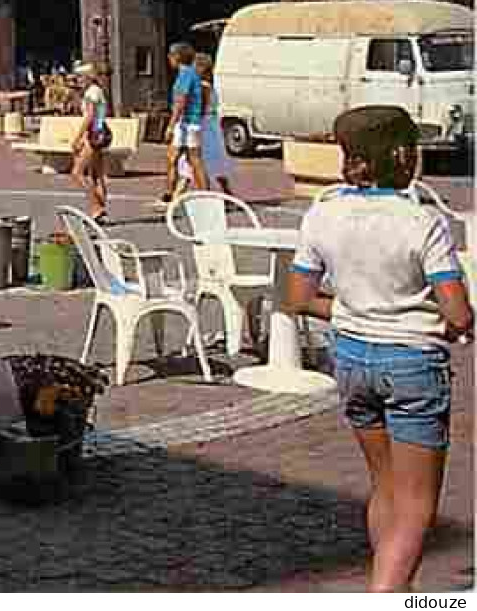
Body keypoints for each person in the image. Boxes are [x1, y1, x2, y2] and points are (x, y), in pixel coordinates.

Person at [283, 106, 472, 593]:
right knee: (416, 508)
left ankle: (393, 587)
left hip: (351, 359)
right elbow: (457, 315)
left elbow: (299, 298)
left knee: (385, 488)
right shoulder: (422, 222)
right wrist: (448, 321)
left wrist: (353, 313)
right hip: (411, 363)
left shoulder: (322, 213)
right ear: (403, 155)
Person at [162, 42, 208, 202]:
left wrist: (171, 125)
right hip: (189, 122)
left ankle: (205, 194)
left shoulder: (185, 75)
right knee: (172, 157)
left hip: (187, 123)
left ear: (177, 57)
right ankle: (170, 193)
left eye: (170, 55)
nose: (168, 59)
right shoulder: (191, 74)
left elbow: (180, 102)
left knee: (194, 159)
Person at [71, 61, 111, 223]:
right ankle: (100, 210)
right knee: (96, 174)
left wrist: (78, 137)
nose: (78, 81)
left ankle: (97, 207)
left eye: (80, 77)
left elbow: (90, 116)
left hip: (94, 133)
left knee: (77, 172)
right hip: (101, 132)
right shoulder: (97, 91)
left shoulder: (91, 93)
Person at [193, 52, 236, 197]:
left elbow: (201, 109)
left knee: (197, 160)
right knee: (215, 160)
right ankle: (228, 194)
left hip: (204, 125)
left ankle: (206, 194)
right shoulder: (209, 85)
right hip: (211, 125)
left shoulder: (202, 87)